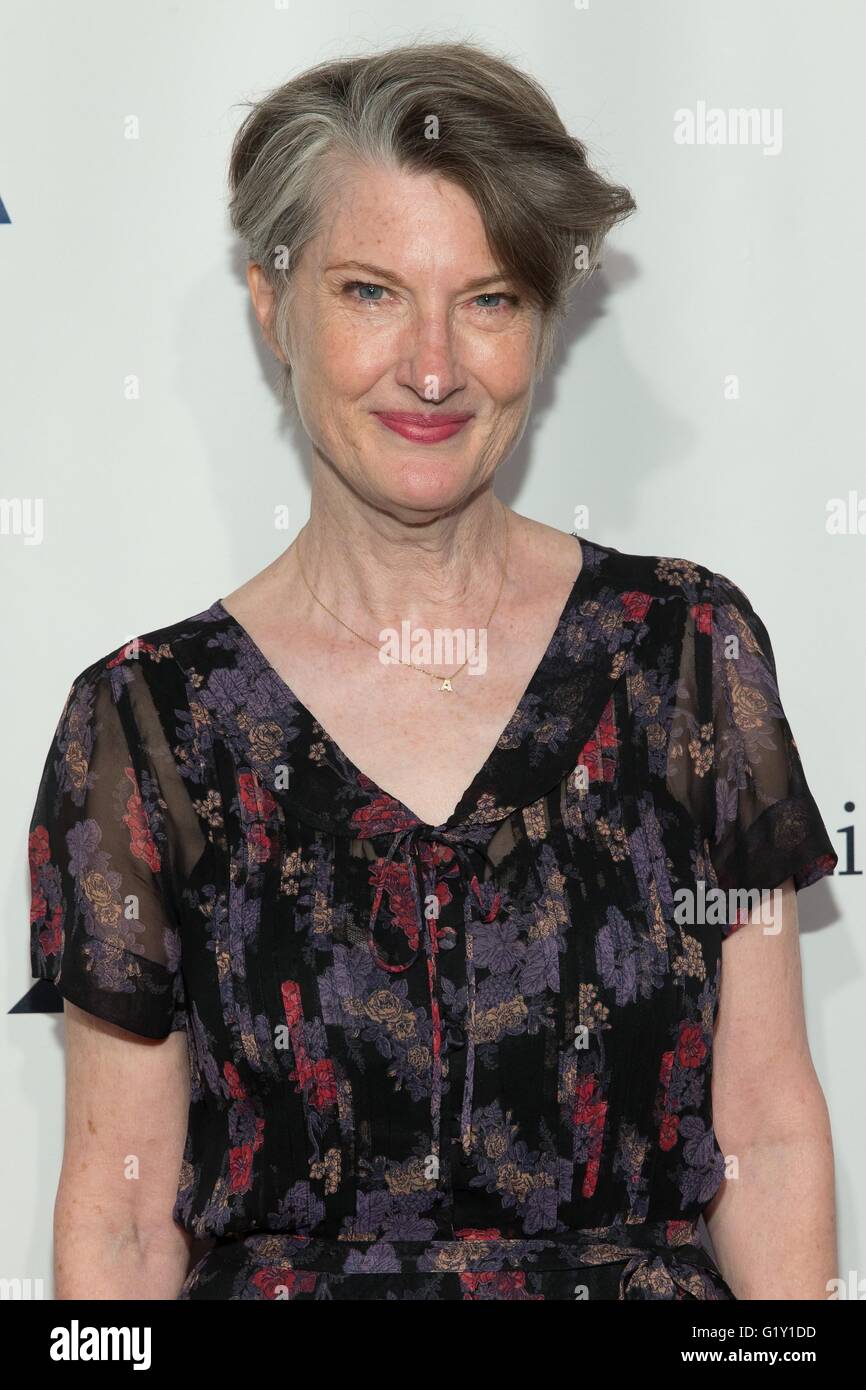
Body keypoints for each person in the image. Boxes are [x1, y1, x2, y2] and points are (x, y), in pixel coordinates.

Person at [28, 40, 838, 1301]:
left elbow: (767, 1139)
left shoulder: (686, 653)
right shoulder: (148, 723)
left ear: (543, 319)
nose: (431, 368)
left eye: (489, 298)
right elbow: (121, 1220)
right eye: (369, 291)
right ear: (269, 303)